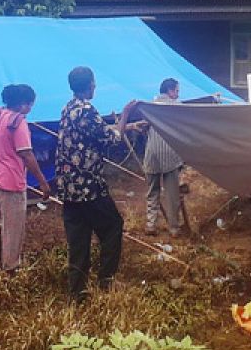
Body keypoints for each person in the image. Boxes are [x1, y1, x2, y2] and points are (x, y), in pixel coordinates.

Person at [55, 66, 138, 302]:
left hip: (69, 186)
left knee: (78, 237)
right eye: (94, 83)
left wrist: (122, 125)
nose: (95, 86)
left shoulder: (68, 108)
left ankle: (77, 291)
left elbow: (91, 135)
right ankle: (106, 279)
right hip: (88, 186)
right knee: (113, 225)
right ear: (90, 84)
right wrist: (125, 116)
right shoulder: (87, 110)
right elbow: (112, 138)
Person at [0, 84, 51, 271]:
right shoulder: (17, 121)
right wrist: (42, 182)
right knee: (13, 229)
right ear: (23, 104)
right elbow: (27, 154)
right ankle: (11, 270)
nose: (30, 109)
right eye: (30, 105)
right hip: (8, 183)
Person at [139, 78, 184, 236]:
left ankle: (151, 224)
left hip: (151, 155)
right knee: (172, 194)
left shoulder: (150, 106)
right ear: (170, 91)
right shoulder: (177, 106)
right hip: (169, 155)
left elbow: (145, 126)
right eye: (177, 91)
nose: (178, 94)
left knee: (152, 192)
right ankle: (174, 227)